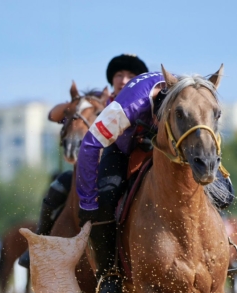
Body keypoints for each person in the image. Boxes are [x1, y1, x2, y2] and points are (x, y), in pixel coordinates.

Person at [76, 70, 234, 293]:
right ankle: (109, 276)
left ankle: (221, 255)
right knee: (106, 197)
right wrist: (87, 200)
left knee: (225, 194)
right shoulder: (131, 104)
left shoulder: (192, 95)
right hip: (123, 146)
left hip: (174, 144)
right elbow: (90, 144)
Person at [18, 54, 149, 269]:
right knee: (59, 185)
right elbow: (53, 115)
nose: (124, 80)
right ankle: (38, 242)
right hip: (96, 168)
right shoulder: (98, 102)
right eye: (119, 74)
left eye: (131, 75)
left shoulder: (147, 101)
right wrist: (75, 105)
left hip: (138, 164)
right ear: (112, 79)